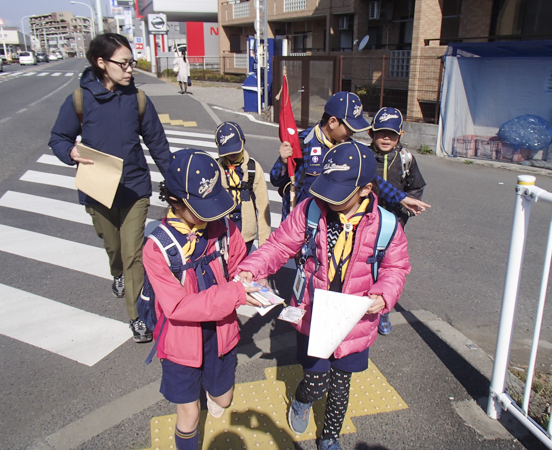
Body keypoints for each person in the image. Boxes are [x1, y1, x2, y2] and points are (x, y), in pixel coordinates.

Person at [238, 141, 410, 450]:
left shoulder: (386, 225)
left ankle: (330, 436)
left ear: (365, 189)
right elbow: (279, 245)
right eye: (325, 189)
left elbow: (396, 267)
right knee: (316, 380)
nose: (328, 199)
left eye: (338, 195)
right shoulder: (311, 209)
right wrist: (253, 267)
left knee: (342, 386)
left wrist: (384, 295)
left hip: (355, 320)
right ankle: (302, 400)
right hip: (314, 314)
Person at [49, 33, 170, 343]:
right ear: (101, 63)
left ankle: (138, 317)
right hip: (98, 188)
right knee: (113, 247)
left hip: (134, 189)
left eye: (132, 63)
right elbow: (59, 138)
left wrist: (174, 178)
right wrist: (71, 152)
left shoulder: (138, 99)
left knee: (133, 254)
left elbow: (157, 143)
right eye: (124, 63)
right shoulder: (79, 99)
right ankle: (116, 273)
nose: (130, 69)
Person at [143, 149, 260, 450]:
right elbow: (178, 307)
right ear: (175, 202)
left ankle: (210, 391)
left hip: (220, 331)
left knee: (224, 398)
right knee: (189, 413)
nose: (212, 214)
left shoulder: (222, 227)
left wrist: (247, 277)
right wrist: (235, 293)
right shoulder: (158, 249)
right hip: (180, 340)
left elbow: (237, 263)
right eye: (201, 207)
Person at [269, 91, 429, 220]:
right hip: (302, 222)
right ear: (332, 122)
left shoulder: (349, 148)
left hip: (332, 223)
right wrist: (283, 162)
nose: (352, 132)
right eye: (349, 127)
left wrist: (401, 198)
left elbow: (370, 178)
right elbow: (276, 180)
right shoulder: (303, 143)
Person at [368, 107, 426, 336]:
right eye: (381, 132)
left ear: (400, 134)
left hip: (392, 225)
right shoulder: (362, 155)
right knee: (363, 267)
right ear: (372, 132)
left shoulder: (406, 159)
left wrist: (403, 216)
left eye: (391, 134)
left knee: (388, 268)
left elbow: (416, 187)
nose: (385, 138)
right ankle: (362, 309)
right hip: (364, 222)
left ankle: (383, 312)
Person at [215, 121, 271, 254]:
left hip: (246, 234)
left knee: (242, 271)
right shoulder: (216, 168)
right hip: (222, 232)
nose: (232, 154)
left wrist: (264, 244)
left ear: (243, 142)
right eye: (227, 151)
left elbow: (263, 207)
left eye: (235, 148)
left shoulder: (253, 168)